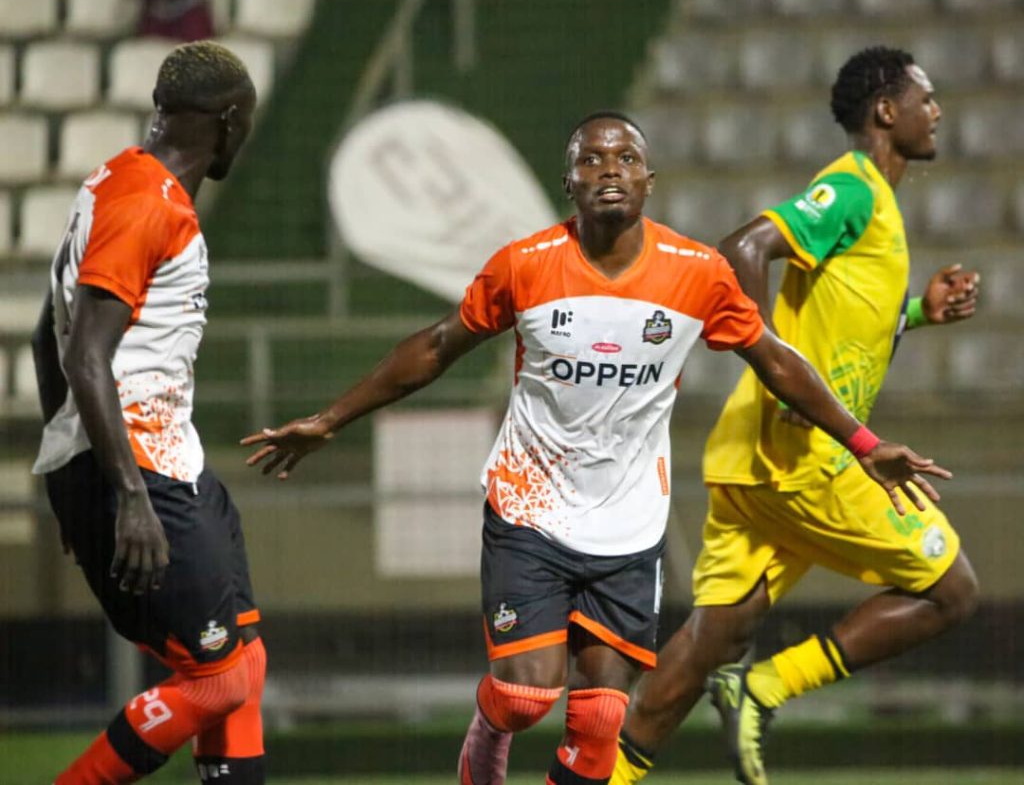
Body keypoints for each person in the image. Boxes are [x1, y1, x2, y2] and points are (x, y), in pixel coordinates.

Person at [241, 111, 950, 785]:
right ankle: (488, 733)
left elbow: (776, 359)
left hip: (629, 527)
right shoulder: (525, 265)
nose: (610, 168)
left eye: (626, 157)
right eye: (591, 159)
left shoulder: (696, 273)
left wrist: (863, 442)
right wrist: (331, 419)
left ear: (649, 180)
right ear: (569, 182)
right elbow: (436, 346)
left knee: (601, 722)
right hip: (529, 510)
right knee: (524, 696)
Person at [611, 47, 981, 785]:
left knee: (708, 641)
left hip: (750, 455)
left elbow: (841, 323)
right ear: (887, 111)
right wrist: (773, 367)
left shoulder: (874, 205)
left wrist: (917, 312)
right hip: (804, 459)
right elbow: (742, 248)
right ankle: (769, 686)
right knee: (953, 590)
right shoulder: (853, 188)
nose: (936, 110)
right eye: (926, 97)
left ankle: (602, 776)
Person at [31, 41, 265, 784]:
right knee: (218, 682)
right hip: (142, 476)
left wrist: (69, 460)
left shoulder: (115, 180)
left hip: (164, 463)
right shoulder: (147, 204)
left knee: (244, 659)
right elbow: (84, 355)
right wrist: (122, 496)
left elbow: (44, 335)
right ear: (228, 122)